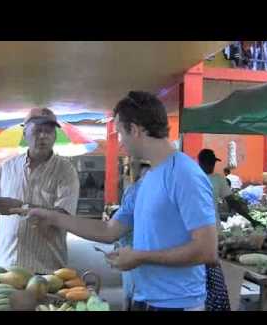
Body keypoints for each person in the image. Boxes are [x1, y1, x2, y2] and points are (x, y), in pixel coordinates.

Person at [11, 91, 218, 311]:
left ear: (135, 130)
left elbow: (207, 250)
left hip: (178, 304)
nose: (120, 144)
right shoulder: (146, 181)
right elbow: (108, 230)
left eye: (120, 133)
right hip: (143, 297)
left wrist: (140, 257)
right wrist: (52, 217)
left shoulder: (184, 174)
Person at [0, 108, 80, 274]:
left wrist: (22, 206)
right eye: (37, 130)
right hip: (5, 266)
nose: (43, 136)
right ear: (24, 134)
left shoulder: (66, 170)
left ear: (55, 136)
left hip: (46, 269)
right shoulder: (7, 167)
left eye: (49, 131)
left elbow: (63, 216)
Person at [198, 149, 258, 311]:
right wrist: (252, 219)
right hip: (203, 234)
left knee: (211, 275)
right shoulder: (207, 179)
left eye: (213, 163)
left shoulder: (216, 179)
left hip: (211, 233)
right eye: (210, 163)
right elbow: (233, 203)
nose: (212, 166)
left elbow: (233, 202)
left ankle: (210, 304)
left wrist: (252, 219)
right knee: (207, 276)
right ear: (202, 162)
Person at [115, 160, 150, 311]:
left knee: (131, 293)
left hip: (133, 249)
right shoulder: (136, 190)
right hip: (137, 249)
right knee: (136, 293)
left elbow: (112, 229)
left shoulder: (134, 190)